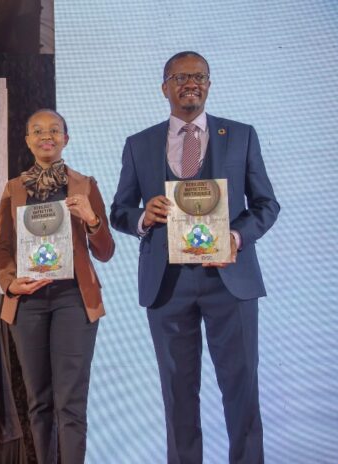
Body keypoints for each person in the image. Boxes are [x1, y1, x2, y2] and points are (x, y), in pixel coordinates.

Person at [110, 51, 280, 463]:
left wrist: (237, 237)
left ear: (209, 84)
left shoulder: (240, 135)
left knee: (242, 391)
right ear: (164, 86)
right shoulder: (139, 144)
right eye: (182, 76)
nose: (192, 83)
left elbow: (266, 205)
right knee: (178, 395)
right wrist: (141, 218)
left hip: (230, 280)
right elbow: (119, 211)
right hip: (167, 285)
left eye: (200, 76)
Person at [0, 109, 115, 463]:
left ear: (66, 139)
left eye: (54, 130)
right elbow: (0, 249)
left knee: (70, 403)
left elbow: (105, 252)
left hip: (74, 301)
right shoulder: (13, 189)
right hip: (28, 303)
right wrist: (11, 283)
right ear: (28, 140)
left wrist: (91, 219)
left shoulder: (85, 185)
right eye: (38, 131)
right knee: (39, 402)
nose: (47, 136)